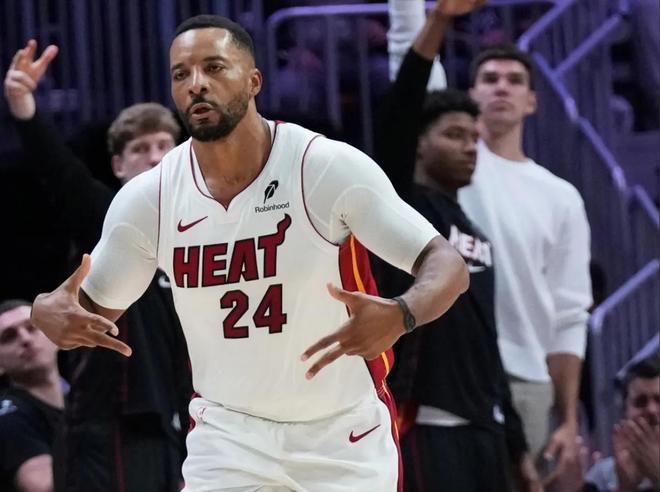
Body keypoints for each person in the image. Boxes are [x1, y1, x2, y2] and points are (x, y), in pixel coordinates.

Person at [30, 14, 469, 491]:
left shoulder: (322, 166)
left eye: (214, 67)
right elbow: (91, 310)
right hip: (228, 440)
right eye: (181, 74)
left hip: (340, 435)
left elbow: (446, 263)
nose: (197, 84)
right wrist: (47, 311)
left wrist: (402, 313)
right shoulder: (150, 197)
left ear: (254, 80)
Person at [4, 41, 193, 491]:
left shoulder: (198, 235)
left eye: (164, 145)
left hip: (176, 423)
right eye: (140, 148)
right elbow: (63, 176)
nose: (154, 157)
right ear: (118, 166)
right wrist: (25, 108)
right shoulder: (111, 220)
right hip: (114, 424)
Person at [374, 1, 540, 490]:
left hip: (486, 430)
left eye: (473, 137)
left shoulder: (474, 230)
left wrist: (517, 447)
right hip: (423, 424)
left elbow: (488, 341)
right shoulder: (400, 203)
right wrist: (438, 20)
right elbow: (404, 104)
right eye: (453, 135)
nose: (470, 146)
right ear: (419, 145)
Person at [458, 43, 593, 485]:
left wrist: (569, 420)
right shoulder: (452, 167)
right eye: (490, 79)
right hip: (452, 374)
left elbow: (570, 314)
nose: (502, 87)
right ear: (471, 94)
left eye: (514, 81)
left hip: (527, 380)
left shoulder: (561, 197)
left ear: (532, 101)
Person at [0, 299, 64, 492]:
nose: (25, 339)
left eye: (32, 327)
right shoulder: (8, 419)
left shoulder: (83, 402)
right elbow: (43, 487)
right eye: (9, 337)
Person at [583, 356, 660, 492]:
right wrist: (625, 486)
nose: (652, 410)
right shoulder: (602, 475)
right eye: (640, 402)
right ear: (625, 412)